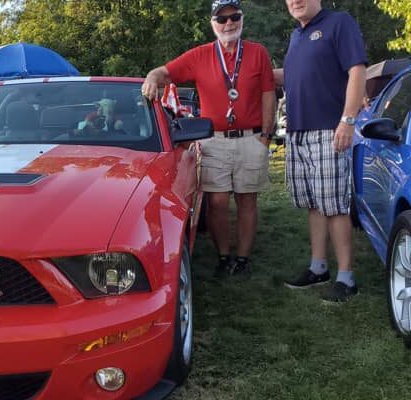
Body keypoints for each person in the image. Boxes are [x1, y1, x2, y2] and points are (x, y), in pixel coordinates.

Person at [142, 0, 276, 276]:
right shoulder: (199, 56)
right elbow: (165, 72)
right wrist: (153, 77)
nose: (229, 23)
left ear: (241, 19)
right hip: (213, 140)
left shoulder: (257, 52)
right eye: (222, 19)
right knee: (216, 202)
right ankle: (224, 256)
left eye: (234, 17)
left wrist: (266, 135)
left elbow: (267, 93)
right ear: (212, 24)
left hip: (252, 138)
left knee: (247, 200)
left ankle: (243, 259)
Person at [274, 0, 367, 302]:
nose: (295, 1)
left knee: (335, 206)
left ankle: (346, 277)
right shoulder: (296, 35)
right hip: (298, 132)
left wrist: (348, 120)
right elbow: (294, 75)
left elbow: (356, 71)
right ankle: (318, 268)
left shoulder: (339, 23)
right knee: (314, 203)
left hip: (330, 130)